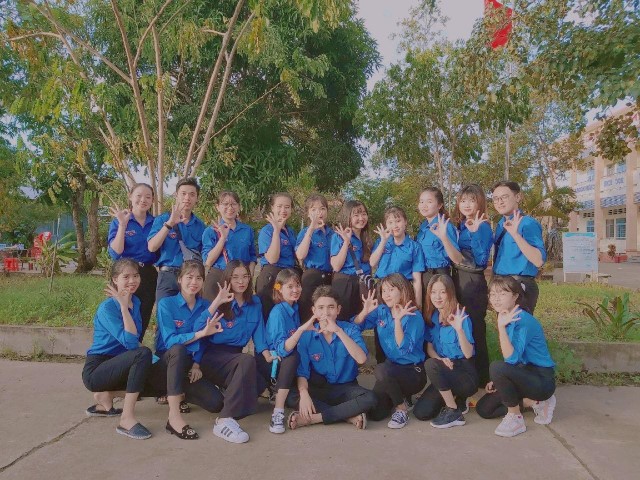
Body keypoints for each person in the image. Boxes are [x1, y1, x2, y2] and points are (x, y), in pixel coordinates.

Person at [195, 260, 277, 443]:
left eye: (245, 276)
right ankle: (224, 420)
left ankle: (229, 393)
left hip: (235, 357)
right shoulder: (220, 302)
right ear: (228, 279)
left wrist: (268, 356)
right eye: (236, 277)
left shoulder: (255, 302)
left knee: (258, 383)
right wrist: (217, 302)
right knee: (246, 361)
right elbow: (198, 330)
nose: (241, 281)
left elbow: (259, 333)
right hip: (213, 356)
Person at [147, 260, 229, 440]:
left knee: (216, 403)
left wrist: (197, 364)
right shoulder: (166, 304)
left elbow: (206, 340)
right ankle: (174, 416)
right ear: (179, 279)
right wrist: (199, 333)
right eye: (189, 277)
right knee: (178, 349)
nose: (194, 282)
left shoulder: (205, 305)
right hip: (167, 362)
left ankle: (179, 393)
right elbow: (170, 341)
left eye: (199, 278)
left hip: (189, 365)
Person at [287, 286, 377, 430]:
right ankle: (347, 416)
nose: (326, 312)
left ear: (338, 310)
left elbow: (361, 359)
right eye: (321, 308)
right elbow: (302, 373)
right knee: (291, 395)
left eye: (331, 307)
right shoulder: (307, 335)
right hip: (320, 388)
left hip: (346, 388)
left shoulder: (349, 329)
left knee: (370, 398)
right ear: (314, 311)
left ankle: (314, 418)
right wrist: (304, 394)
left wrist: (339, 331)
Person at [476, 276, 556, 437]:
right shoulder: (506, 316)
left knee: (496, 367)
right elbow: (513, 361)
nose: (496, 299)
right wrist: (499, 380)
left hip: (541, 380)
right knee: (484, 409)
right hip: (523, 373)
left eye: (502, 294)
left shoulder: (523, 320)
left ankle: (515, 417)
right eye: (492, 294)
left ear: (515, 296)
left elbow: (511, 359)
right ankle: (534, 403)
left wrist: (501, 327)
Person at [82, 259, 153, 440]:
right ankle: (126, 420)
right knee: (143, 354)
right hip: (98, 370)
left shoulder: (136, 302)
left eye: (136, 276)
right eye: (126, 277)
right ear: (115, 279)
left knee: (158, 373)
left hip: (121, 364)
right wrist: (123, 307)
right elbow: (131, 343)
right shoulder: (107, 308)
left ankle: (106, 396)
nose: (132, 281)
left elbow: (135, 339)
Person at [352, 274, 426, 429]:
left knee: (381, 369)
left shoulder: (413, 315)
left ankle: (401, 408)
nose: (386, 294)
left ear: (403, 290)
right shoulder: (382, 310)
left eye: (391, 290)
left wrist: (398, 321)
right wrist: (364, 312)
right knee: (376, 413)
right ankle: (400, 397)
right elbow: (354, 327)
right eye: (384, 290)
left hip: (412, 372)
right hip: (391, 370)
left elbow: (403, 348)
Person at [413, 275, 478, 429]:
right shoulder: (433, 316)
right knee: (421, 413)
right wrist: (440, 360)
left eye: (442, 292)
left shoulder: (460, 316)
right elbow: (430, 347)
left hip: (464, 371)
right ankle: (454, 397)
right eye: (433, 292)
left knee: (431, 365)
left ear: (450, 293)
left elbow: (468, 353)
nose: (437, 297)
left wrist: (459, 330)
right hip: (444, 368)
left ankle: (453, 410)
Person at [263, 269, 317, 434]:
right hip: (275, 362)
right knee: (293, 357)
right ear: (279, 289)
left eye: (298, 285)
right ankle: (278, 412)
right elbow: (282, 349)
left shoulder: (294, 308)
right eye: (290, 286)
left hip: (289, 361)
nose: (296, 290)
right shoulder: (278, 312)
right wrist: (301, 330)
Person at [451, 184, 494, 386]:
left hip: (473, 281)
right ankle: (467, 375)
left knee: (475, 328)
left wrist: (475, 233)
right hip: (458, 279)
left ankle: (482, 378)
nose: (467, 204)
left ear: (480, 203)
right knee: (462, 327)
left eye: (472, 200)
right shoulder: (461, 224)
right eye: (463, 200)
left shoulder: (482, 226)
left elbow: (481, 260)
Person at [107, 183, 158, 339]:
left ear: (152, 200)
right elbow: (116, 252)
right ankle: (117, 349)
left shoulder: (156, 222)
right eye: (139, 196)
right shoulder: (120, 220)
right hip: (125, 272)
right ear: (130, 196)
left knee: (143, 314)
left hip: (148, 274)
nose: (143, 200)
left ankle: (137, 347)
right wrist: (123, 225)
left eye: (148, 197)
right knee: (120, 312)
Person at [491, 181, 547, 313]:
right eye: (496, 199)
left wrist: (516, 235)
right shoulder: (500, 224)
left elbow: (538, 260)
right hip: (501, 284)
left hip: (519, 285)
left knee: (518, 324)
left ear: (517, 197)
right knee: (504, 324)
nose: (499, 202)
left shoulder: (527, 223)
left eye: (504, 197)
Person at [147, 177, 206, 301]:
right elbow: (152, 247)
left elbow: (204, 256)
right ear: (176, 195)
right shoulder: (162, 220)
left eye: (192, 194)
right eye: (183, 193)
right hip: (167, 276)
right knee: (164, 311)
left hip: (191, 278)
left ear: (197, 198)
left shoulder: (200, 226)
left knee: (190, 312)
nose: (187, 198)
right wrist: (170, 224)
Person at [201, 191, 257, 301]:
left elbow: (252, 257)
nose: (230, 208)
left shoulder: (247, 230)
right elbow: (208, 261)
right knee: (214, 311)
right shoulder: (210, 231)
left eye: (233, 204)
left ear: (239, 206)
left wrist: (248, 278)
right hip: (218, 277)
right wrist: (222, 238)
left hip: (240, 280)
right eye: (225, 204)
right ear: (217, 207)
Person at [370, 206, 425, 309]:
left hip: (403, 290)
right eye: (390, 222)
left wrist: (418, 305)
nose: (395, 226)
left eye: (398, 221)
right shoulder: (381, 242)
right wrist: (383, 242)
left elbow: (417, 279)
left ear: (405, 222)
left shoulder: (414, 247)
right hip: (382, 289)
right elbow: (372, 263)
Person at [256, 193, 297, 320]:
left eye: (287, 207)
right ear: (272, 208)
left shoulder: (290, 231)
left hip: (288, 277)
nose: (283, 210)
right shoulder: (267, 231)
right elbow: (272, 259)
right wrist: (276, 231)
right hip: (273, 278)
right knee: (270, 315)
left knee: (286, 315)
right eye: (279, 206)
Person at [330, 200, 373, 321]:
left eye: (364, 214)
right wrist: (346, 242)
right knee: (343, 321)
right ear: (348, 216)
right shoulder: (338, 236)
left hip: (363, 284)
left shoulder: (366, 238)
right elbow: (336, 266)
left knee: (360, 321)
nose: (361, 218)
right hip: (345, 283)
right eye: (356, 215)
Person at [295, 194, 334, 321]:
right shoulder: (305, 232)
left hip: (330, 278)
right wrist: (311, 230)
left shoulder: (333, 233)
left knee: (327, 315)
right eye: (314, 209)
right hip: (312, 278)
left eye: (322, 208)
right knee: (309, 315)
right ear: (308, 213)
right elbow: (300, 255)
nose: (319, 212)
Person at [415, 187, 459, 297]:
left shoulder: (445, 226)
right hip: (423, 276)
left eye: (429, 202)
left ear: (439, 205)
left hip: (439, 276)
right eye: (421, 202)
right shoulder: (423, 228)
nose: (424, 205)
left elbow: (456, 257)